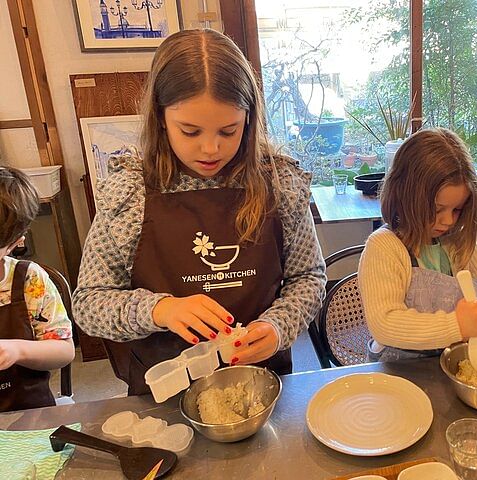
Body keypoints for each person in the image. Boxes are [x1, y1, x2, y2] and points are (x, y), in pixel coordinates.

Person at [72, 29, 326, 395]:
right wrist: (160, 311)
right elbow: (89, 303)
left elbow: (309, 278)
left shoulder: (280, 183)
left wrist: (278, 327)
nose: (210, 149)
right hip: (164, 393)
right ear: (160, 117)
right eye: (190, 131)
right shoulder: (130, 190)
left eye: (228, 130)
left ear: (250, 119)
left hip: (263, 385)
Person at [358, 128, 477, 362]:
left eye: (457, 209)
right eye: (436, 210)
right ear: (405, 196)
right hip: (397, 370)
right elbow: (385, 323)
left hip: (445, 363)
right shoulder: (384, 247)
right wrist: (456, 325)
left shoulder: (454, 243)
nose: (448, 221)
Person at [0, 167, 74, 411]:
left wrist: (17, 350)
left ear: (16, 240)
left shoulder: (30, 280)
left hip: (28, 412)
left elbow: (64, 351)